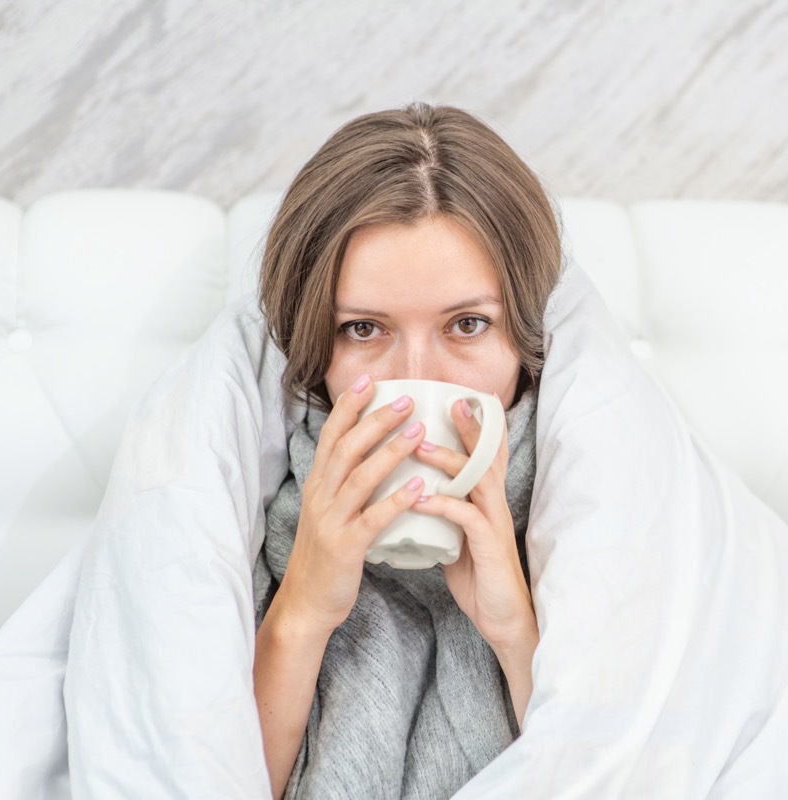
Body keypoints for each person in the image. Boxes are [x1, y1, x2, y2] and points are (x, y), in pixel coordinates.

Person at [251, 103, 563, 799]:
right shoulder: (257, 514)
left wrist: (517, 634)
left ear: (526, 336)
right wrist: (302, 605)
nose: (415, 377)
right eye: (363, 328)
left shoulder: (588, 505)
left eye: (468, 323)